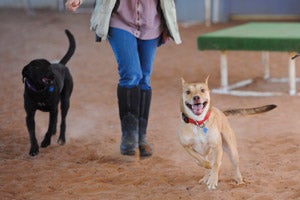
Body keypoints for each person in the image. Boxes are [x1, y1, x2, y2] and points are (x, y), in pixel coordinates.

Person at [65, 0, 181, 157]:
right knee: (132, 74)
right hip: (120, 20)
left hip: (151, 23)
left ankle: (141, 137)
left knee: (144, 78)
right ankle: (129, 135)